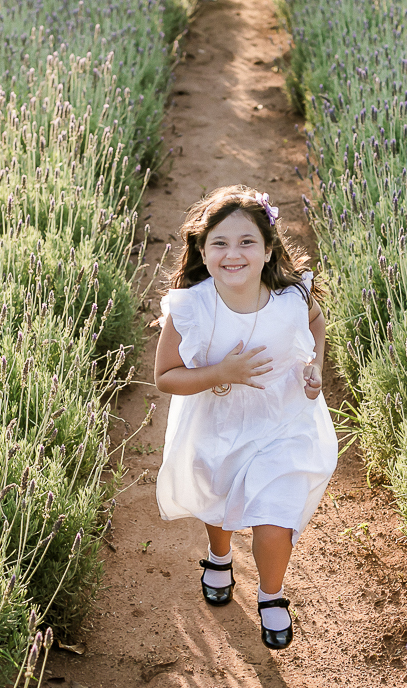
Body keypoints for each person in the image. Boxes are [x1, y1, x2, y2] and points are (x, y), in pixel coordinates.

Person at [153, 185, 338, 649]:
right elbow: (166, 377)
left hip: (283, 420)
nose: (233, 254)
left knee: (276, 516)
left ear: (268, 248)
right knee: (219, 497)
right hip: (218, 421)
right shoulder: (191, 307)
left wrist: (311, 365)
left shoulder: (292, 296)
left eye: (246, 242)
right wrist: (223, 372)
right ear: (201, 249)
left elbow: (314, 323)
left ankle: (272, 595)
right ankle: (219, 556)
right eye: (220, 243)